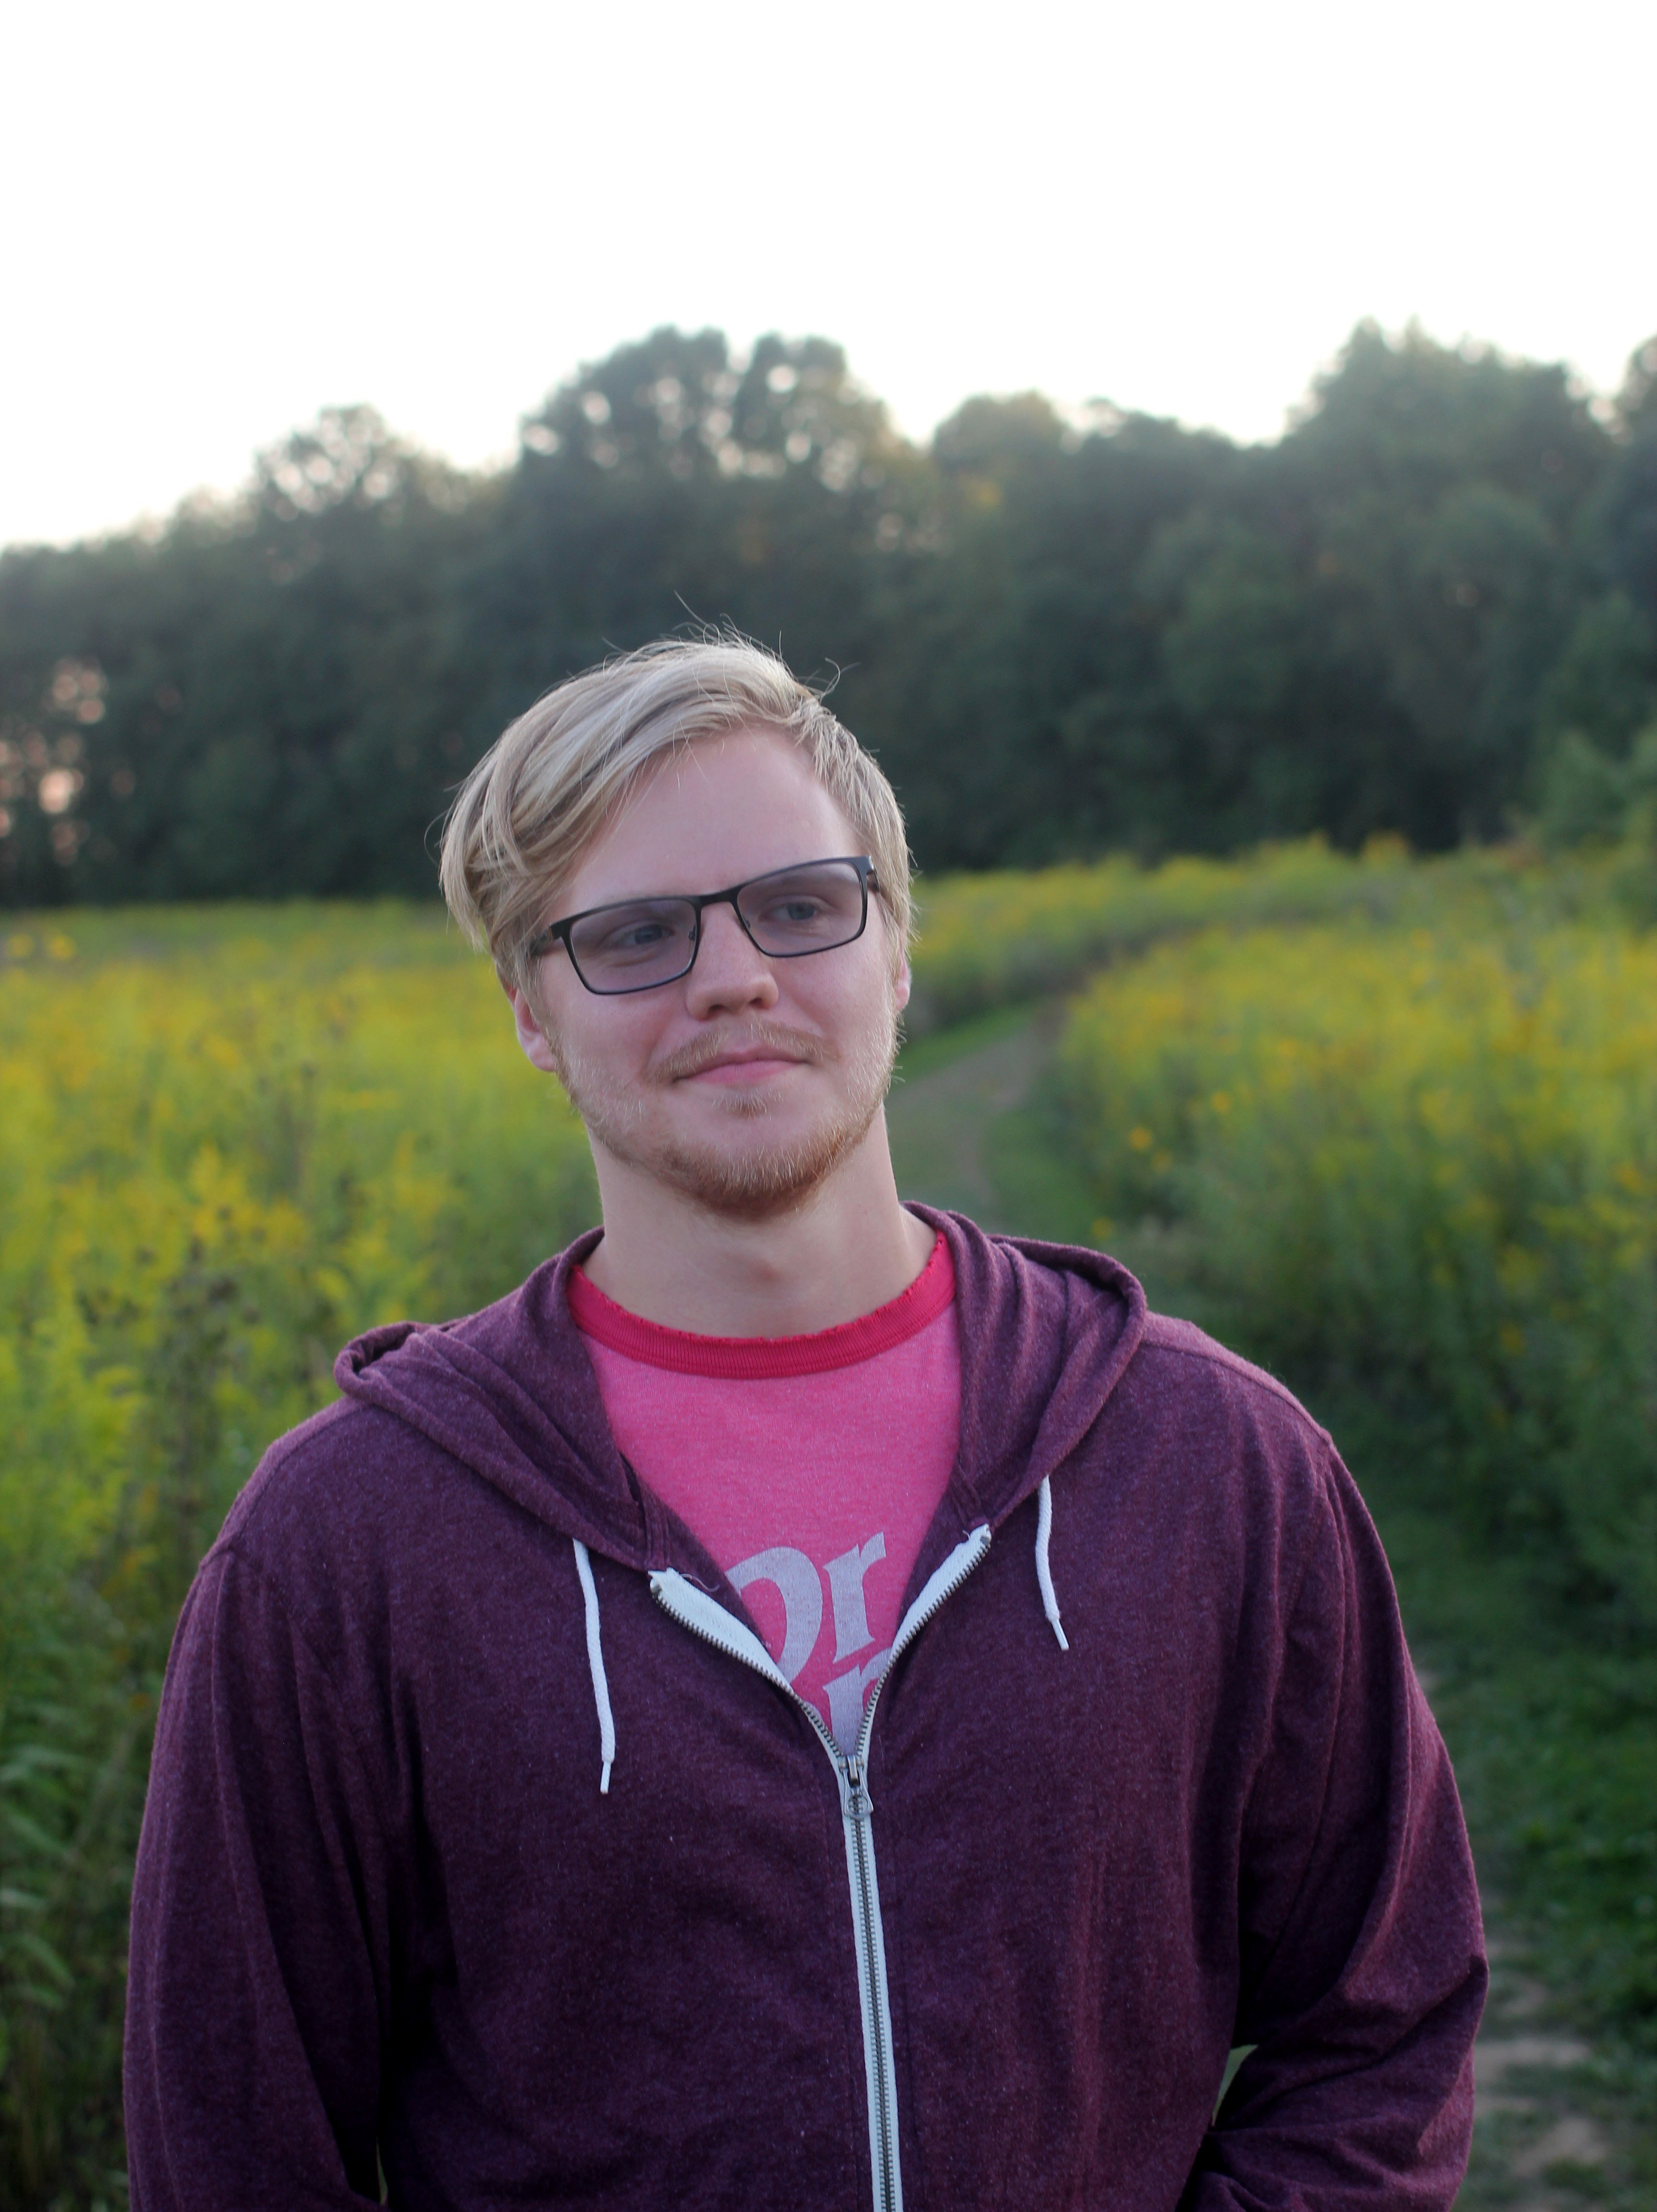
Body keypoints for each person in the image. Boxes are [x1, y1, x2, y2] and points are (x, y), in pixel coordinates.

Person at [125, 634, 1485, 2210]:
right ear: (528, 1010)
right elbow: (230, 2143)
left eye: (798, 905)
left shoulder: (1213, 1461)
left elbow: (1382, 2019)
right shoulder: (344, 1541)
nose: (732, 978)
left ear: (895, 946)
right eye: (634, 934)